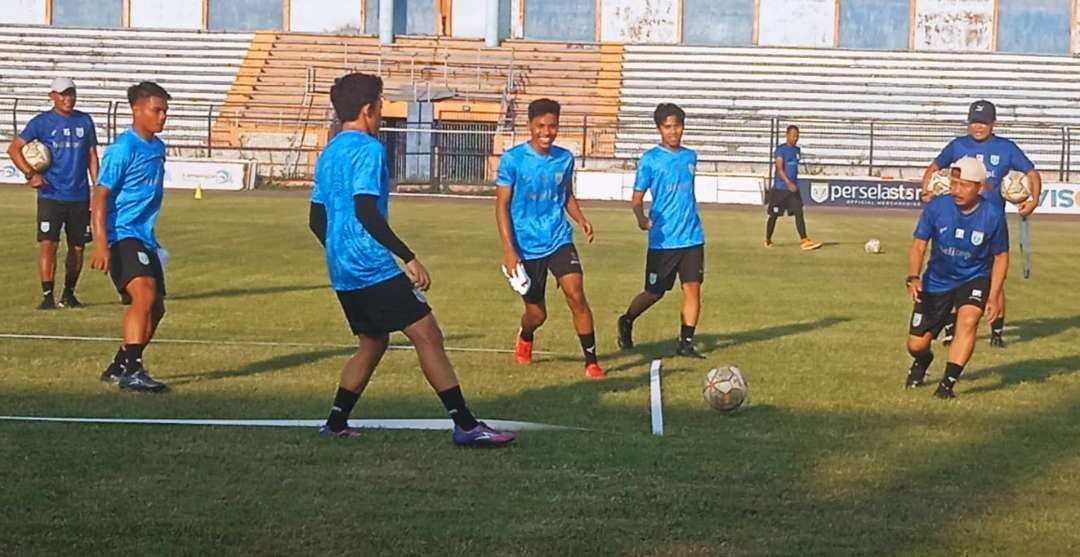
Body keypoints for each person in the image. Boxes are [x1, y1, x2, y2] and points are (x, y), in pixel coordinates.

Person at [309, 73, 514, 447]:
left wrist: (340, 251)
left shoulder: (330, 152)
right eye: (381, 103)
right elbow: (367, 210)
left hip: (342, 269)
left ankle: (336, 422)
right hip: (372, 266)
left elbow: (316, 220)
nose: (383, 110)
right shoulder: (368, 149)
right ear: (369, 108)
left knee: (372, 343)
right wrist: (408, 257)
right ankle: (466, 425)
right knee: (427, 334)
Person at [496, 98, 605, 379]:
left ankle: (591, 362)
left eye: (553, 126)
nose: (547, 132)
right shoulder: (513, 160)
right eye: (541, 126)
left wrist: (580, 218)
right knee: (537, 315)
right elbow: (502, 206)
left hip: (558, 236)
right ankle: (526, 334)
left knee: (576, 292)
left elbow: (565, 194)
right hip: (525, 244)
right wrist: (509, 250)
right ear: (529, 126)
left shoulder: (564, 158)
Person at [920, 100, 1041, 348]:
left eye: (983, 122)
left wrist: (1034, 200)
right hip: (956, 219)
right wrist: (926, 190)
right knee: (954, 270)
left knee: (994, 276)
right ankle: (953, 328)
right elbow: (934, 167)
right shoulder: (957, 146)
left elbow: (1031, 172)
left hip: (991, 223)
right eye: (974, 121)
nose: (978, 127)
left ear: (993, 124)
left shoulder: (1006, 148)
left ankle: (997, 330)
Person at [90, 82, 172, 392]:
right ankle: (134, 370)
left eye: (165, 111)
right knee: (144, 295)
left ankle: (119, 365)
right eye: (156, 110)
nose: (162, 117)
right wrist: (102, 244)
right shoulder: (124, 148)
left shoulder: (157, 147)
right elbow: (99, 196)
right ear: (136, 110)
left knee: (158, 307)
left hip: (144, 236)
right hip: (122, 234)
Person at [904, 157, 1008, 399]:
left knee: (969, 321)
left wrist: (993, 295)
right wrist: (913, 277)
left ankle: (946, 386)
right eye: (954, 183)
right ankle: (922, 362)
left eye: (964, 184)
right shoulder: (936, 207)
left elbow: (1001, 256)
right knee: (916, 345)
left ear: (979, 187)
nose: (956, 190)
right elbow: (919, 245)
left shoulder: (993, 215)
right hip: (938, 279)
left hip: (974, 277)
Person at [617, 103, 706, 358]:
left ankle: (685, 343)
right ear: (659, 129)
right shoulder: (650, 160)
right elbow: (636, 198)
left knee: (692, 287)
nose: (674, 132)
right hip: (663, 240)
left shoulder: (691, 156)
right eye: (668, 127)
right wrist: (641, 218)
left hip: (692, 236)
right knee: (654, 292)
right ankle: (627, 319)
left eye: (677, 126)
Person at [6, 77, 99, 309]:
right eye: (62, 94)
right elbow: (14, 149)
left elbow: (91, 156)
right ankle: (47, 296)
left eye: (71, 94)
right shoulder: (42, 122)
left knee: (77, 247)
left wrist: (97, 187)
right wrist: (30, 174)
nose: (68, 98)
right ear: (52, 96)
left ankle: (69, 294)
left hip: (79, 196)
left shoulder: (84, 121)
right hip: (51, 194)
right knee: (49, 244)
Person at [765, 125, 822, 250]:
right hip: (780, 189)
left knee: (798, 212)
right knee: (774, 215)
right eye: (793, 135)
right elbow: (779, 169)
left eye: (797, 136)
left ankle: (804, 240)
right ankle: (768, 239)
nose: (795, 138)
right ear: (787, 135)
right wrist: (788, 182)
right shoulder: (781, 150)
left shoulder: (797, 150)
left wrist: (793, 184)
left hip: (792, 190)